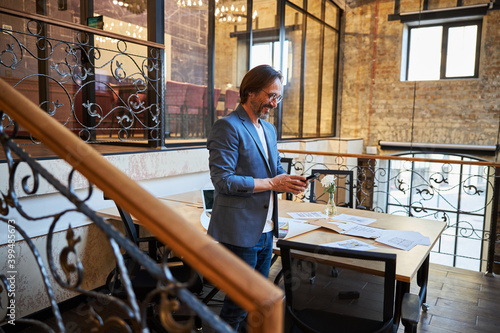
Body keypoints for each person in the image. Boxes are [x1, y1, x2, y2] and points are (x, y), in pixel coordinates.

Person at [206, 64, 308, 330]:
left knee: (256, 302)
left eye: (278, 97)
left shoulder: (269, 130)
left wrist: (288, 181)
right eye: (270, 95)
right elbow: (223, 181)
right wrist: (272, 182)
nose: (274, 103)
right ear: (250, 91)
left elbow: (274, 170)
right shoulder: (227, 127)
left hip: (267, 230)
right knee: (237, 305)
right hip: (240, 231)